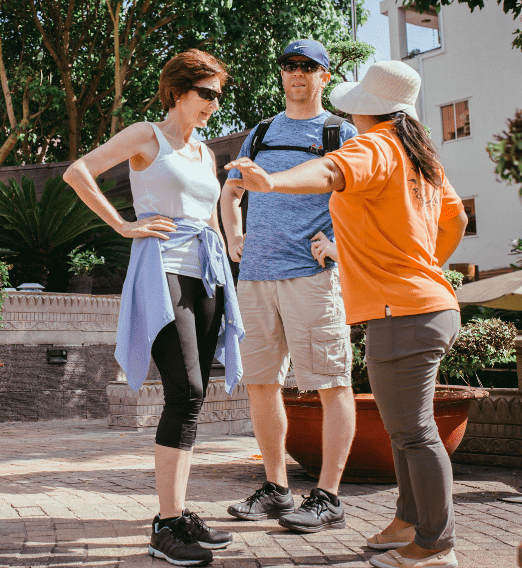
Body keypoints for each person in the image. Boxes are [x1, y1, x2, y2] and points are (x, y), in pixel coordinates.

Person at [226, 60, 468, 568]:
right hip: (425, 306)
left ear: (367, 109)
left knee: (416, 433)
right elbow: (457, 216)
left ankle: (434, 545)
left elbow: (330, 170)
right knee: (406, 428)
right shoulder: (420, 156)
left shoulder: (375, 145)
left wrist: (270, 182)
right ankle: (407, 521)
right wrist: (423, 265)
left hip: (403, 312)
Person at [64, 49, 243, 567]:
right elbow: (79, 171)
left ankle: (178, 513)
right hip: (161, 271)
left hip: (206, 273)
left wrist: (229, 270)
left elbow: (209, 216)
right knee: (184, 389)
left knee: (192, 397)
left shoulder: (205, 153)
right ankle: (164, 525)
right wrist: (124, 225)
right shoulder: (148, 135)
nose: (212, 103)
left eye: (217, 95)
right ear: (177, 92)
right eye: (205, 93)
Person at [220, 39, 358, 531]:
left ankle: (328, 497)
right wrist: (233, 232)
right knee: (261, 383)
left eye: (308, 66)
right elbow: (232, 189)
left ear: (324, 75)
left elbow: (363, 197)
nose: (297, 73)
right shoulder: (259, 133)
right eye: (289, 65)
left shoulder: (340, 131)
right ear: (281, 74)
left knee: (330, 383)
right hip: (256, 277)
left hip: (311, 276)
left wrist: (338, 245)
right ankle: (277, 489)